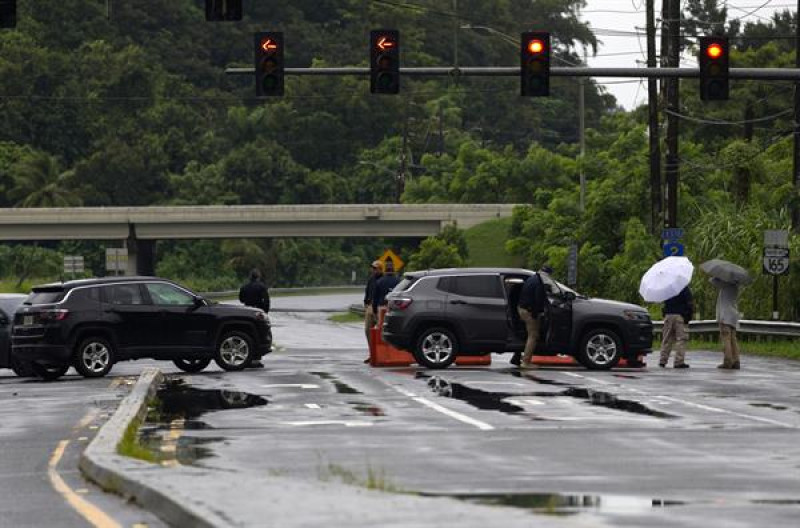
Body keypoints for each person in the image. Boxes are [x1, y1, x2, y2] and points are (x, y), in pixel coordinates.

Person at [512, 267, 548, 369]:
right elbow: (538, 300)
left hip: (521, 308)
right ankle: (526, 362)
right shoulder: (539, 283)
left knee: (526, 334)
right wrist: (538, 313)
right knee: (533, 335)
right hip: (528, 311)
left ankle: (516, 357)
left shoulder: (532, 278)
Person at [239, 269, 271, 368]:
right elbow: (266, 301)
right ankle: (256, 359)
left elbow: (241, 299)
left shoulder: (244, 287)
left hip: (247, 311)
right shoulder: (262, 287)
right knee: (259, 334)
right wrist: (265, 312)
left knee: (247, 334)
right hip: (258, 311)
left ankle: (248, 357)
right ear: (258, 277)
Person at [710, 277, 741, 369]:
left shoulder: (724, 286)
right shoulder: (735, 287)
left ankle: (728, 361)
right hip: (733, 315)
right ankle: (736, 360)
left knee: (726, 339)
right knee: (733, 339)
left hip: (725, 315)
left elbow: (713, 281)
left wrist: (717, 275)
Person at [659, 286, 693, 368]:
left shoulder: (667, 288)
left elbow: (664, 303)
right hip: (679, 316)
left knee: (667, 339)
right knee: (681, 339)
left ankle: (663, 360)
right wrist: (688, 316)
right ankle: (679, 361)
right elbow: (689, 303)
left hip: (668, 315)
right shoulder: (684, 288)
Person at [363, 260, 384, 362]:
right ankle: (372, 353)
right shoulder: (371, 279)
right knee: (368, 330)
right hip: (370, 307)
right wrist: (366, 303)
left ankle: (381, 354)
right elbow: (367, 291)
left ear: (380, 269)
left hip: (380, 308)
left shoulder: (383, 280)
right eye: (373, 268)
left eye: (375, 268)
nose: (373, 270)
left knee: (381, 332)